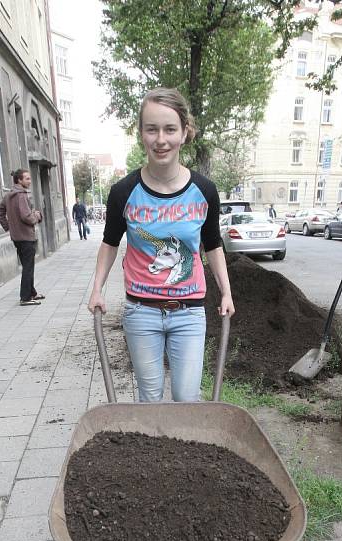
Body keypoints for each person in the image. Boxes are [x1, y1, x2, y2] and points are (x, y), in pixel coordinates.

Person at [88, 87, 235, 402]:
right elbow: (110, 243)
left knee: (186, 398)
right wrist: (97, 288)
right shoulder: (123, 192)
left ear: (185, 133)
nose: (161, 139)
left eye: (170, 129)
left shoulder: (204, 190)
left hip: (189, 312)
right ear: (141, 133)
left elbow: (213, 244)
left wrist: (226, 291)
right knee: (150, 397)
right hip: (141, 311)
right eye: (151, 129)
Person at [0, 169, 44, 306]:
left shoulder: (9, 195)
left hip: (17, 237)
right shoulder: (21, 195)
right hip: (26, 237)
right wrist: (37, 216)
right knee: (28, 267)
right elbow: (26, 216)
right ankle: (25, 298)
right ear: (19, 181)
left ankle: (32, 292)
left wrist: (9, 227)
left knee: (27, 265)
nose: (29, 181)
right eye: (27, 179)